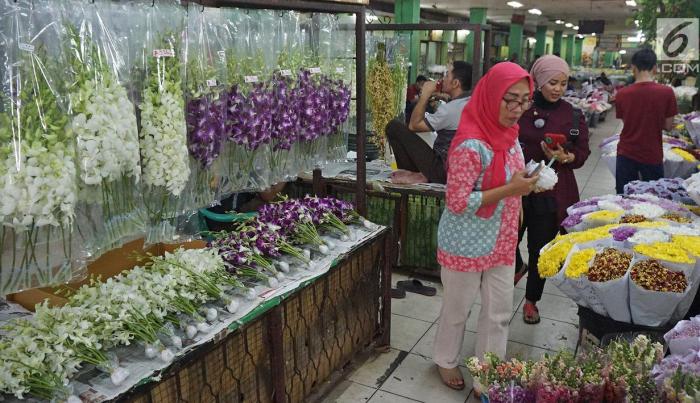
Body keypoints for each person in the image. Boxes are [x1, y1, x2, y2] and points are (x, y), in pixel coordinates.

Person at [432, 62, 538, 391]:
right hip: (465, 241)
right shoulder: (470, 145)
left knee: (499, 312)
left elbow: (512, 179)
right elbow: (457, 201)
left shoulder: (510, 136)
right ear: (491, 96)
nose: (518, 109)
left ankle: (487, 373)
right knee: (457, 309)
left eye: (525, 100)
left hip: (502, 240)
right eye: (510, 100)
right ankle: (445, 360)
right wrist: (511, 189)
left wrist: (527, 186)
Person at [517, 55, 591, 324]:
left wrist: (566, 158)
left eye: (563, 82)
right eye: (552, 82)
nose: (558, 88)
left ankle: (531, 301)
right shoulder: (520, 108)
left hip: (551, 193)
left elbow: (582, 152)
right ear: (538, 81)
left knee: (540, 248)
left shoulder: (573, 114)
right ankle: (516, 266)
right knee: (507, 240)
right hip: (516, 186)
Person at [386, 61, 472, 185]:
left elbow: (414, 125)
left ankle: (414, 174)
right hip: (459, 169)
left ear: (455, 83)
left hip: (442, 170)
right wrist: (444, 96)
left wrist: (425, 95)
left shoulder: (451, 109)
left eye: (447, 75)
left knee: (393, 127)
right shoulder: (468, 102)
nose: (442, 79)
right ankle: (420, 173)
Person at [615, 47, 678, 194]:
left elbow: (628, 122)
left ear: (633, 68)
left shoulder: (622, 94)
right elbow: (668, 126)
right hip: (652, 153)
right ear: (655, 68)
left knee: (624, 198)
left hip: (626, 152)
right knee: (653, 198)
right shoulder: (667, 92)